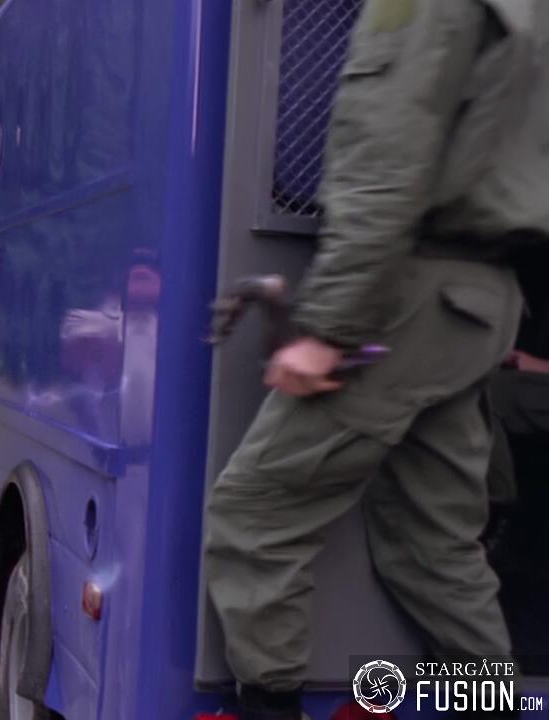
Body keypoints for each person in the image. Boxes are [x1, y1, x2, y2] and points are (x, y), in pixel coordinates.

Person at [201, 2, 549, 718]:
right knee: (435, 544)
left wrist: (328, 326)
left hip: (408, 294)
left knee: (258, 513)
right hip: (482, 301)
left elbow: (386, 165)